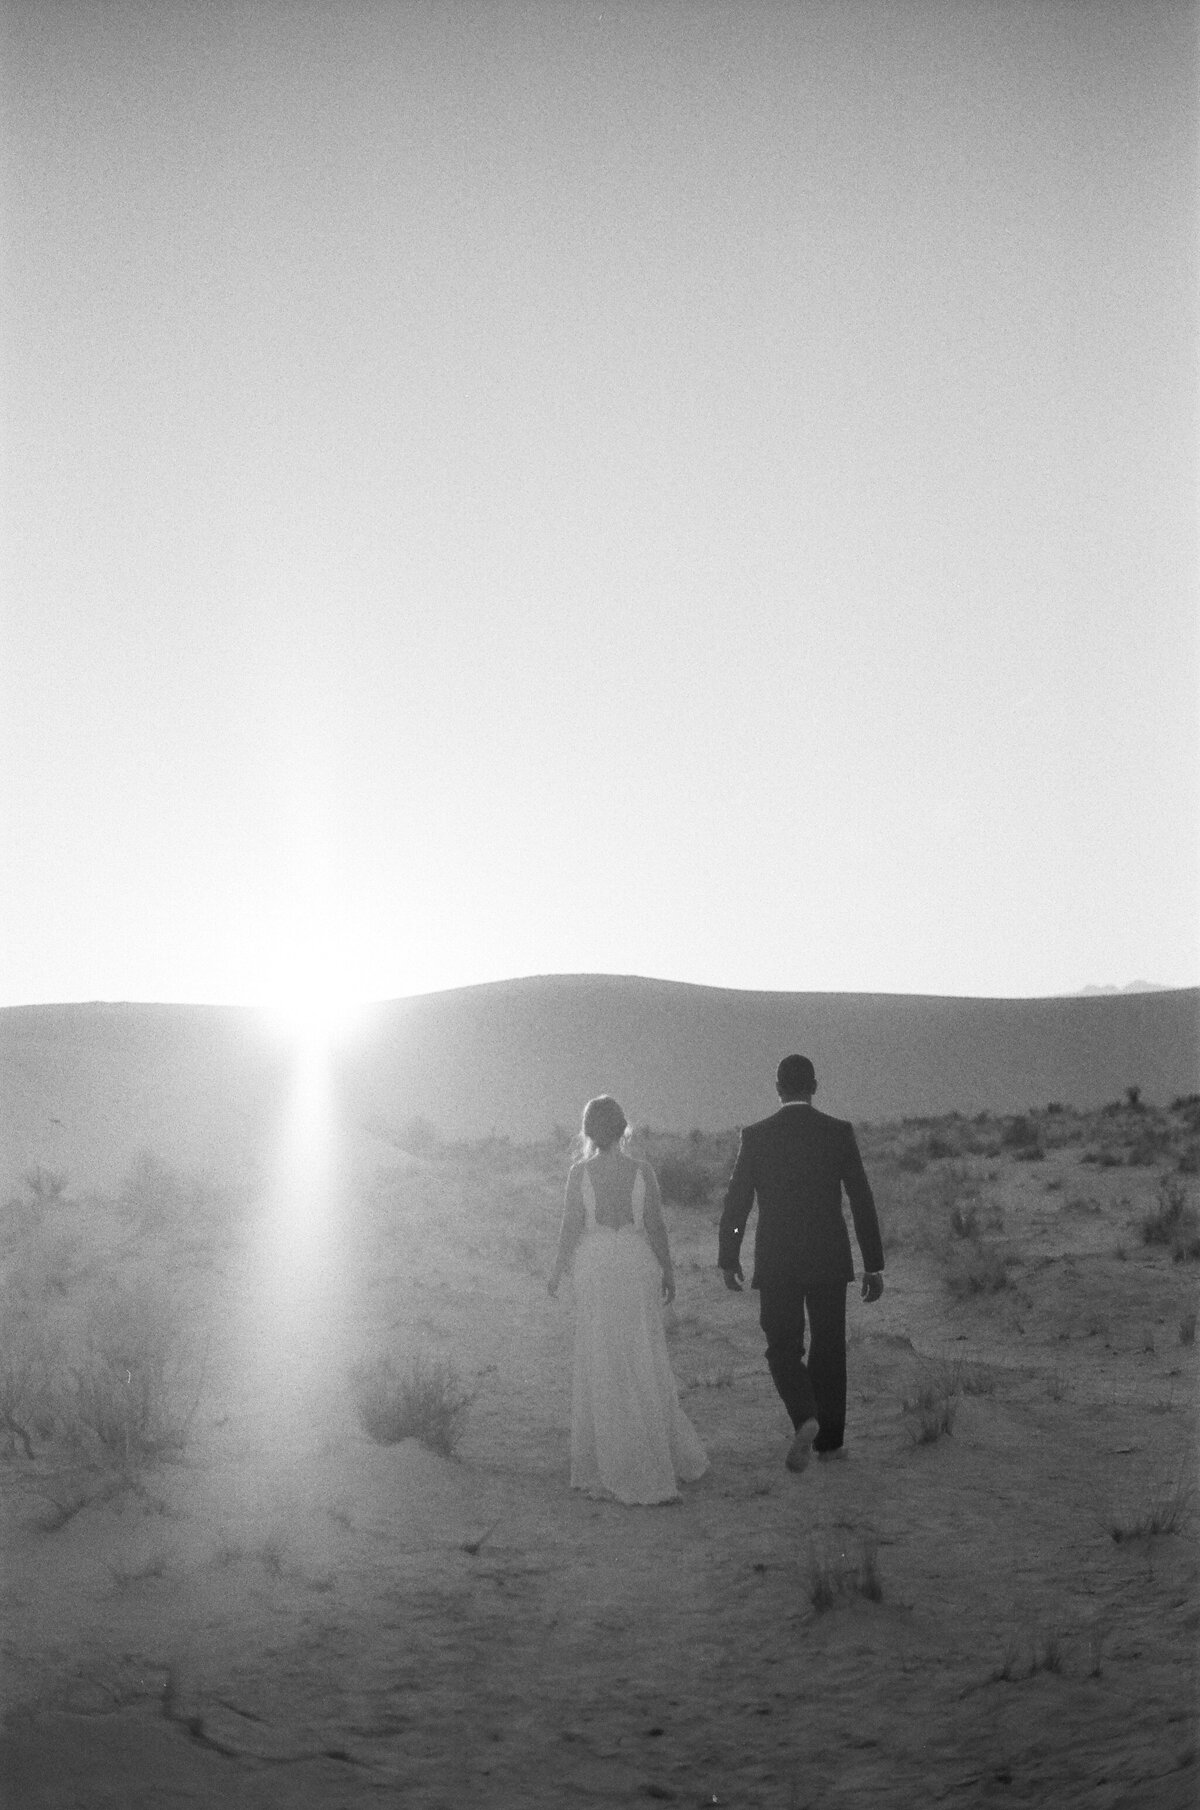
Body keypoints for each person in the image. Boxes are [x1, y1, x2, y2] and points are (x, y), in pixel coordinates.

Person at [718, 1054, 884, 1472]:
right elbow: (861, 1199)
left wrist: (729, 1255)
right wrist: (873, 1263)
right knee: (830, 1349)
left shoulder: (756, 1137)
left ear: (777, 1088)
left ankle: (805, 1414)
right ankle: (830, 1444)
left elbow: (738, 1203)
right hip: (829, 1257)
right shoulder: (837, 1133)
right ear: (815, 1086)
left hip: (777, 1260)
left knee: (781, 1347)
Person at [548, 1095, 708, 1504]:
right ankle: (654, 1450)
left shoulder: (579, 1173)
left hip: (597, 1268)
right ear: (624, 1129)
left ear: (588, 1132)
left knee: (602, 1355)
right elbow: (654, 1224)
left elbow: (571, 1226)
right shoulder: (643, 1171)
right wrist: (667, 1270)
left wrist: (556, 1269)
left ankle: (611, 1457)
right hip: (636, 1265)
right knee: (642, 1352)